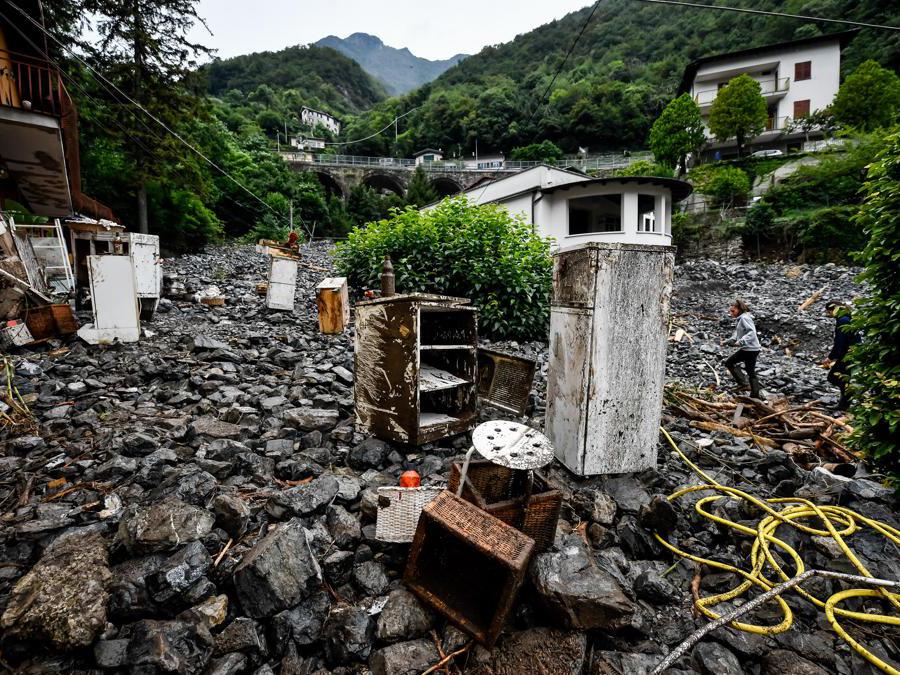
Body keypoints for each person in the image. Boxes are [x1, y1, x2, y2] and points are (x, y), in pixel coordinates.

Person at [823, 301, 859, 410]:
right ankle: (845, 403)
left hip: (847, 354)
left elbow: (840, 342)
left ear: (833, 309)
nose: (827, 314)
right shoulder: (847, 318)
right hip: (852, 353)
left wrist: (831, 357)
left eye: (828, 311)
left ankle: (845, 402)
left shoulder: (843, 321)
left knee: (834, 377)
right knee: (842, 378)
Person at [724, 297, 762, 398]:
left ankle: (743, 384)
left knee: (729, 362)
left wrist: (741, 342)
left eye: (733, 311)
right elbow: (738, 333)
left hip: (749, 349)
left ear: (739, 309)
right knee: (750, 371)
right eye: (730, 311)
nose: (731, 313)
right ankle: (755, 394)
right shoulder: (741, 318)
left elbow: (751, 332)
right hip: (752, 349)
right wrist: (728, 341)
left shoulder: (744, 318)